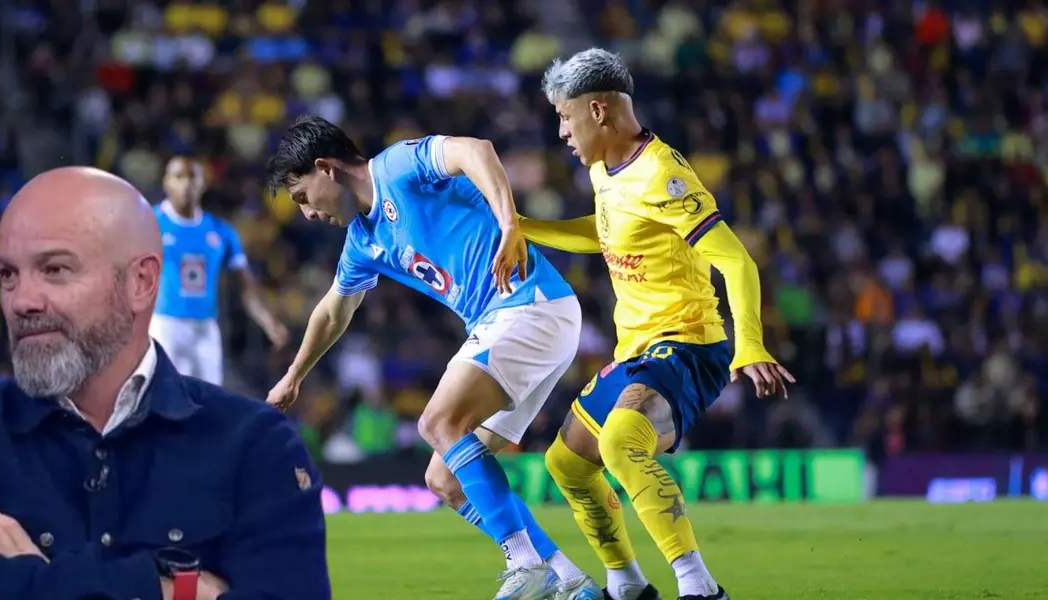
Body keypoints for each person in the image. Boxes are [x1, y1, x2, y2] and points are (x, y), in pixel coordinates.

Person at [0, 167, 330, 600]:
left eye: (55, 270)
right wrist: (173, 590)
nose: (22, 301)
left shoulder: (257, 444)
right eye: (8, 275)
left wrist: (34, 580)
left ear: (141, 282)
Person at [264, 116, 601, 600]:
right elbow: (333, 310)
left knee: (438, 422)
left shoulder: (398, 166)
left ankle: (525, 562)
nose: (308, 214)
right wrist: (295, 374)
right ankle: (573, 582)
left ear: (326, 169)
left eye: (302, 197)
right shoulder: (362, 241)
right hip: (512, 323)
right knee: (444, 478)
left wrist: (510, 224)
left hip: (529, 303)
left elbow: (477, 150)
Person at [523, 49, 795, 600]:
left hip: (690, 346)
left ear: (598, 111)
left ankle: (699, 587)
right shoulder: (604, 168)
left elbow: (735, 260)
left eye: (564, 116)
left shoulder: (663, 174)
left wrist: (751, 345)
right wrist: (523, 227)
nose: (560, 132)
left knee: (623, 441)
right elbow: (603, 234)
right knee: (566, 464)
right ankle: (627, 586)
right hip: (637, 352)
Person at [150, 156, 289, 385]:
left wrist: (267, 321)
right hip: (164, 323)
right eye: (179, 177)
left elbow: (246, 285)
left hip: (205, 327)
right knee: (164, 397)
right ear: (166, 182)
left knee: (208, 403)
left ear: (203, 183)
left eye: (192, 177)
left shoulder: (221, 231)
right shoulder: (150, 221)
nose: (186, 184)